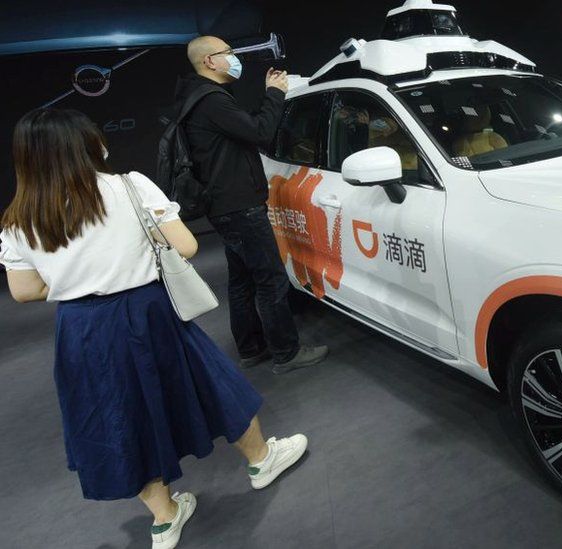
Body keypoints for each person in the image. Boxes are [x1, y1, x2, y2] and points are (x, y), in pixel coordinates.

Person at [0, 108, 309, 549]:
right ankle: (262, 460)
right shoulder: (129, 185)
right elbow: (184, 244)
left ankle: (165, 518)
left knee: (115, 415)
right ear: (85, 144)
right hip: (146, 311)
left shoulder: (18, 218)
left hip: (81, 328)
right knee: (207, 383)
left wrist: (72, 273)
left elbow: (25, 290)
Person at [175, 36, 328, 374]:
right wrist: (274, 92)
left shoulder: (195, 98)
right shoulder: (211, 100)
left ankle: (251, 348)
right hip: (239, 205)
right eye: (229, 53)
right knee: (270, 279)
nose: (235, 58)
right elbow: (260, 132)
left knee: (242, 281)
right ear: (211, 61)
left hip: (224, 205)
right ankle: (286, 353)